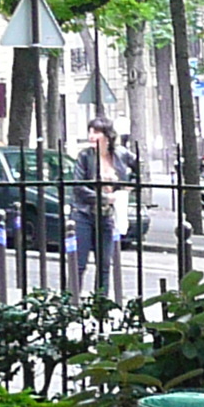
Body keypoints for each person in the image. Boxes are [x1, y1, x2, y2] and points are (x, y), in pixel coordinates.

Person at [72, 117, 124, 296]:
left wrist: (124, 189)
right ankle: (73, 303)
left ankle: (100, 304)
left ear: (107, 135)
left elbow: (134, 171)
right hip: (84, 214)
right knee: (79, 264)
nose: (91, 136)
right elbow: (78, 186)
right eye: (90, 131)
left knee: (104, 265)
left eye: (96, 132)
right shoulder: (85, 156)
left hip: (106, 216)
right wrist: (103, 198)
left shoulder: (117, 156)